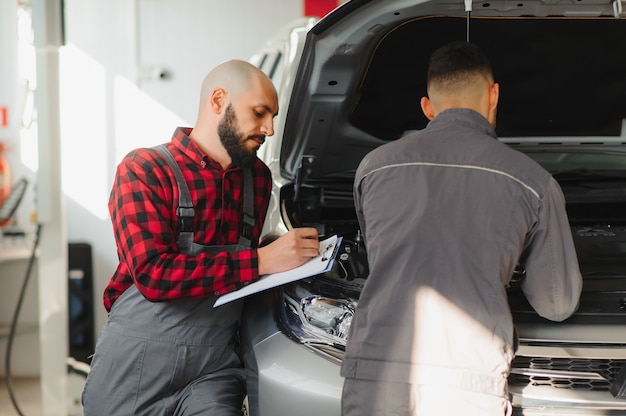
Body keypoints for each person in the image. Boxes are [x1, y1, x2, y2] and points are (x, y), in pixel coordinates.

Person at [340, 41, 583, 416]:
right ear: (494, 95)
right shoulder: (534, 182)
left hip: (375, 374)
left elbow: (382, 254)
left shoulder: (373, 168)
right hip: (467, 384)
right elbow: (557, 304)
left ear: (427, 107)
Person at [82, 59, 320, 415]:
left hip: (214, 366)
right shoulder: (145, 169)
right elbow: (152, 274)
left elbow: (236, 270)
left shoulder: (256, 178)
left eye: (272, 116)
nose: (269, 129)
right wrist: (259, 261)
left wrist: (274, 255)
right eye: (259, 113)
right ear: (218, 100)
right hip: (137, 364)